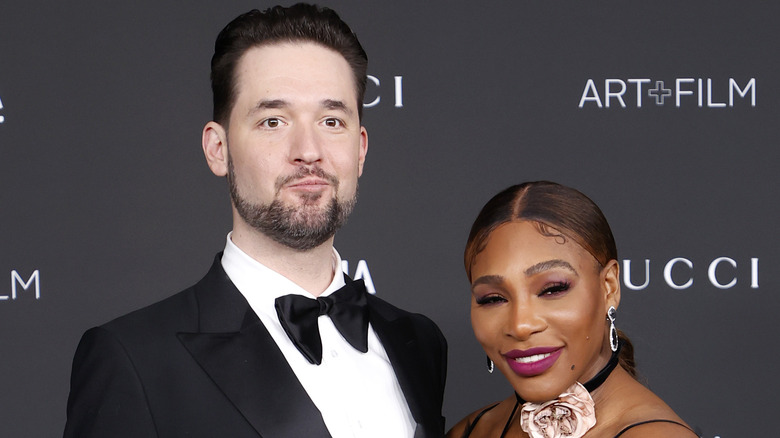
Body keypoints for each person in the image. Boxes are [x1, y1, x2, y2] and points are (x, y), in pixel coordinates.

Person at [64, 4, 446, 437]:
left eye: (331, 120)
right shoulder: (133, 359)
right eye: (273, 121)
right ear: (218, 149)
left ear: (360, 149)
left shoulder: (419, 342)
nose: (308, 150)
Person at [447, 181, 695, 438]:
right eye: (493, 299)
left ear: (609, 287)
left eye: (552, 289)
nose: (520, 325)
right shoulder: (470, 432)